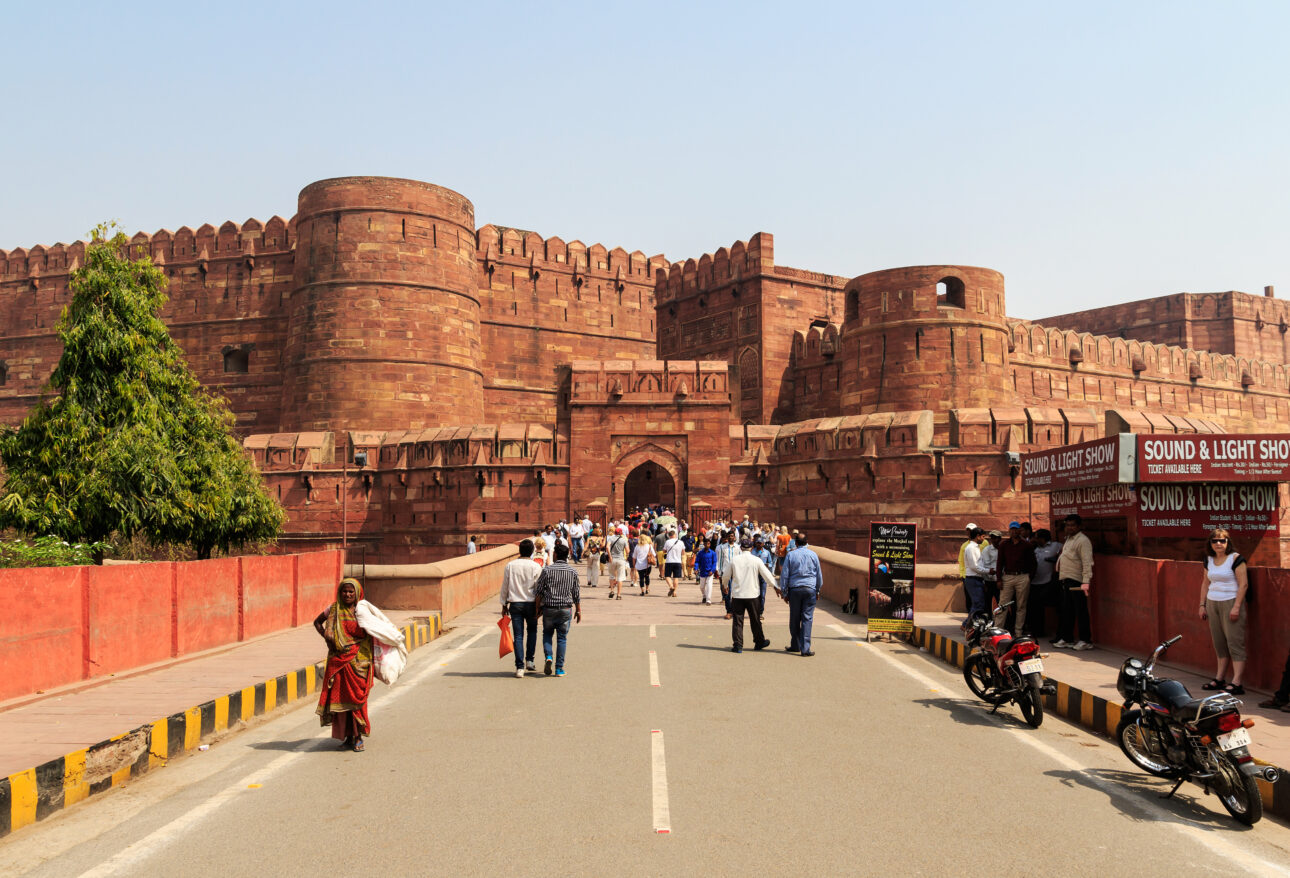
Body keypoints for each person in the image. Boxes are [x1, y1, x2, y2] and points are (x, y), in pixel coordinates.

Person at [314, 578, 375, 751]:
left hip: (359, 663)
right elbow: (317, 622)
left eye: (351, 591)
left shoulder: (363, 611)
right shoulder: (333, 609)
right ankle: (348, 736)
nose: (347, 594)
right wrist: (328, 637)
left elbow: (375, 631)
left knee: (356, 700)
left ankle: (358, 737)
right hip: (338, 662)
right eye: (344, 591)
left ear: (357, 593)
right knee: (341, 699)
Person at [1198, 528, 1250, 694]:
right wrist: (1202, 605)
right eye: (1215, 541)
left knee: (1235, 642)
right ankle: (1220, 678)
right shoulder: (1209, 560)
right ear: (1210, 543)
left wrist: (1236, 606)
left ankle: (1237, 682)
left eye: (1222, 540)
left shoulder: (1235, 559)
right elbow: (1205, 583)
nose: (1218, 544)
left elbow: (1244, 584)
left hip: (1231, 602)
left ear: (1228, 542)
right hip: (1213, 602)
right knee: (1219, 643)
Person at [534, 543, 581, 677]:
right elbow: (576, 593)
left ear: (555, 555)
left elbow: (539, 592)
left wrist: (537, 608)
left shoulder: (547, 570)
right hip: (565, 608)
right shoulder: (572, 572)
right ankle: (559, 668)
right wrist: (578, 610)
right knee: (562, 638)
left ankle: (549, 656)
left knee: (547, 634)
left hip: (549, 608)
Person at [722, 537, 775, 652]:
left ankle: (738, 645)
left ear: (741, 548)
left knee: (738, 621)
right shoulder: (756, 560)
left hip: (738, 595)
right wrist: (776, 587)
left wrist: (725, 586)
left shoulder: (734, 560)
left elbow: (725, 576)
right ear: (751, 548)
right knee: (755, 620)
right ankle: (759, 642)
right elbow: (767, 575)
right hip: (752, 595)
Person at [500, 539, 543, 677]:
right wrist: (540, 606)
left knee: (518, 635)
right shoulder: (536, 566)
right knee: (532, 631)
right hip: (531, 603)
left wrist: (503, 604)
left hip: (515, 603)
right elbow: (539, 589)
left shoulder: (510, 566)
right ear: (532, 551)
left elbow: (505, 587)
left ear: (519, 551)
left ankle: (520, 667)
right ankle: (529, 660)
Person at [1054, 514, 1094, 650]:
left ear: (1079, 526)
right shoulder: (1069, 539)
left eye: (1072, 525)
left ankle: (1085, 640)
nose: (1070, 528)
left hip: (1078, 580)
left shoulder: (1083, 541)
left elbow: (1087, 562)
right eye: (1068, 525)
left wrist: (1086, 582)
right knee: (1067, 611)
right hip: (1066, 579)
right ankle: (1067, 638)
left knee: (1081, 611)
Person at [779, 532, 823, 656]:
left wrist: (784, 591)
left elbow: (785, 575)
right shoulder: (813, 555)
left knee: (794, 617)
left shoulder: (791, 555)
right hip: (810, 589)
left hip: (795, 589)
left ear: (796, 543)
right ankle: (805, 648)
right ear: (807, 542)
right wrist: (818, 590)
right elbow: (819, 575)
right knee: (807, 618)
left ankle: (795, 645)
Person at [997, 521, 1036, 634]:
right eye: (1012, 529)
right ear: (1009, 530)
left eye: (1016, 529)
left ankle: (1018, 631)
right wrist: (999, 579)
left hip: (1022, 576)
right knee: (1003, 604)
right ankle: (998, 630)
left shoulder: (1026, 545)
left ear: (1019, 530)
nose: (1014, 531)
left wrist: (1029, 577)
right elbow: (1000, 563)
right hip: (1008, 576)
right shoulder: (1004, 545)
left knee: (1021, 605)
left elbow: (1033, 563)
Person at [1026, 527, 1062, 638]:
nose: (1035, 540)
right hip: (1034, 582)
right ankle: (1036, 631)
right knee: (1034, 609)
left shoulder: (1055, 546)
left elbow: (1064, 552)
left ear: (1043, 539)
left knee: (1052, 607)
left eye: (1037, 538)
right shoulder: (1035, 548)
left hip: (1048, 582)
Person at [961, 528, 988, 617]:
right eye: (983, 537)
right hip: (973, 578)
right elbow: (974, 566)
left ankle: (971, 624)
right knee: (978, 604)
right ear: (978, 536)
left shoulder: (975, 547)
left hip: (976, 578)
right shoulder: (971, 548)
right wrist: (988, 571)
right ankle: (967, 624)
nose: (984, 539)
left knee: (978, 604)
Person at [751, 535, 776, 619]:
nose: (758, 544)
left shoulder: (766, 552)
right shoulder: (752, 552)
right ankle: (754, 611)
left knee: (762, 595)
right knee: (754, 595)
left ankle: (760, 612)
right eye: (757, 543)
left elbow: (771, 563)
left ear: (763, 544)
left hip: (763, 576)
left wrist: (768, 565)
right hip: (754, 575)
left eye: (760, 543)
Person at [717, 530, 738, 618]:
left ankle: (735, 611)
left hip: (736, 573)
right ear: (727, 537)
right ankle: (729, 611)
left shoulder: (738, 547)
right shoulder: (723, 547)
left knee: (736, 593)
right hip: (726, 572)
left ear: (734, 537)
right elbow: (721, 561)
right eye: (729, 536)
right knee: (726, 593)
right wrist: (720, 574)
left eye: (732, 536)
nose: (730, 538)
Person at [979, 530, 1002, 612]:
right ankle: (988, 621)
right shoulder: (987, 550)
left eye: (996, 538)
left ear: (1000, 539)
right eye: (993, 538)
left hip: (999, 580)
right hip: (989, 581)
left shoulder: (1002, 549)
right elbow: (984, 565)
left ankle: (1001, 622)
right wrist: (984, 581)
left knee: (1001, 603)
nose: (995, 540)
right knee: (987, 603)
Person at [607, 526, 631, 600]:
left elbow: (607, 547)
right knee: (620, 578)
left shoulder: (611, 538)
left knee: (611, 576)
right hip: (621, 559)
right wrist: (627, 555)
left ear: (615, 532)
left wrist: (610, 556)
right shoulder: (624, 540)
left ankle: (611, 590)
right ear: (621, 533)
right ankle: (619, 594)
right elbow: (627, 551)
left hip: (612, 559)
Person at [694, 537, 719, 605]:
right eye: (706, 543)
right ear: (704, 544)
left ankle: (708, 600)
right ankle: (704, 595)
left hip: (710, 572)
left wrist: (713, 570)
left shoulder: (713, 553)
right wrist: (696, 569)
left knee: (709, 586)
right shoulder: (700, 553)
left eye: (708, 543)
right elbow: (697, 562)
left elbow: (714, 562)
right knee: (702, 587)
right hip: (702, 572)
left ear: (710, 544)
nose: (707, 545)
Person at [662, 528, 685, 597]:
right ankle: (674, 592)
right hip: (677, 561)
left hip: (669, 561)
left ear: (669, 535)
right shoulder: (681, 542)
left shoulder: (667, 542)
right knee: (676, 577)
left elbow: (664, 551)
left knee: (667, 576)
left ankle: (671, 586)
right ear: (675, 535)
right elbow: (683, 552)